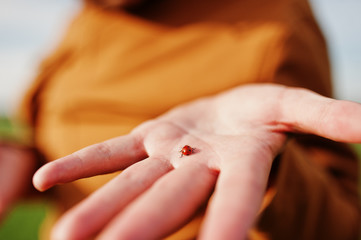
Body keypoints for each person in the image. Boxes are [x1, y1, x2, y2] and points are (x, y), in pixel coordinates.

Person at [1, 0, 361, 239]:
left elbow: (345, 224)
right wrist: (26, 155)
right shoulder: (87, 17)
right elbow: (67, 127)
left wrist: (271, 165)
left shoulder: (277, 20)